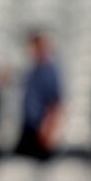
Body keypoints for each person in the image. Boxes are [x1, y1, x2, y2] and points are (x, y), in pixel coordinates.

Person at [15, 31, 64, 160]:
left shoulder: (48, 72)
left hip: (40, 130)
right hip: (30, 127)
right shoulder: (33, 70)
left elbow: (54, 103)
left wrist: (47, 130)